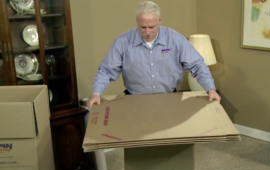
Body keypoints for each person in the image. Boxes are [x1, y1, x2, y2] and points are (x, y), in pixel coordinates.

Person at [88, 1, 220, 109]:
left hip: (170, 99)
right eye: (142, 27)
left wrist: (211, 89)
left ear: (159, 20)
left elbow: (197, 65)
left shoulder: (175, 39)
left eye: (151, 27)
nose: (147, 32)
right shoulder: (122, 42)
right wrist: (96, 93)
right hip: (134, 101)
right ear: (137, 22)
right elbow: (106, 71)